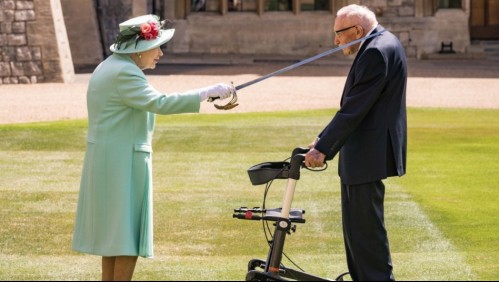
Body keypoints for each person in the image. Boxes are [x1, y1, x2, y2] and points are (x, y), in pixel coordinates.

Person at [71, 15, 234, 281]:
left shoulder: (111, 66)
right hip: (122, 161)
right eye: (156, 46)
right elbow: (161, 103)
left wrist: (209, 93)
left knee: (116, 235)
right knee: (126, 236)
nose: (160, 53)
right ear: (138, 50)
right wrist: (207, 92)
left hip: (111, 159)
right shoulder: (124, 72)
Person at [304, 4, 407, 281]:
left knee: (365, 231)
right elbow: (358, 105)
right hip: (365, 151)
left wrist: (323, 148)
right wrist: (322, 139)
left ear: (357, 30)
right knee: (357, 230)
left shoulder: (375, 51)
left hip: (367, 153)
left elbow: (354, 109)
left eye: (339, 34)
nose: (336, 41)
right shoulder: (384, 41)